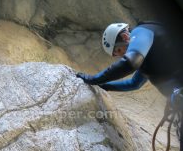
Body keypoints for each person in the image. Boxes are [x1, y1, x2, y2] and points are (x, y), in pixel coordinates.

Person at [76, 21, 183, 150]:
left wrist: (95, 79)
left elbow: (131, 61)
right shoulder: (149, 57)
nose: (121, 55)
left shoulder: (141, 31)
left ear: (126, 37)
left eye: (119, 50)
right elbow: (133, 83)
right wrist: (104, 86)